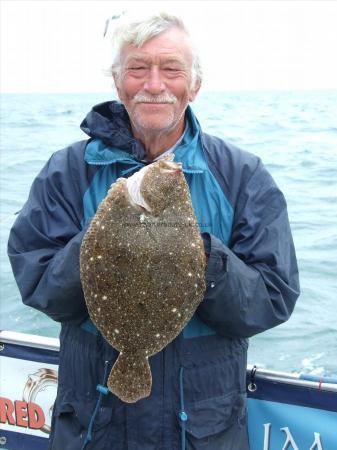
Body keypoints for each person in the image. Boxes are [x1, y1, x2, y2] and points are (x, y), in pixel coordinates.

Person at [8, 12, 300, 450]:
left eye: (171, 69)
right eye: (137, 68)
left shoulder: (242, 176)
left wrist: (203, 259)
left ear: (194, 84)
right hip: (93, 422)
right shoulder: (68, 171)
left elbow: (272, 299)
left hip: (201, 427)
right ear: (117, 81)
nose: (154, 83)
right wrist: (100, 243)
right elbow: (38, 285)